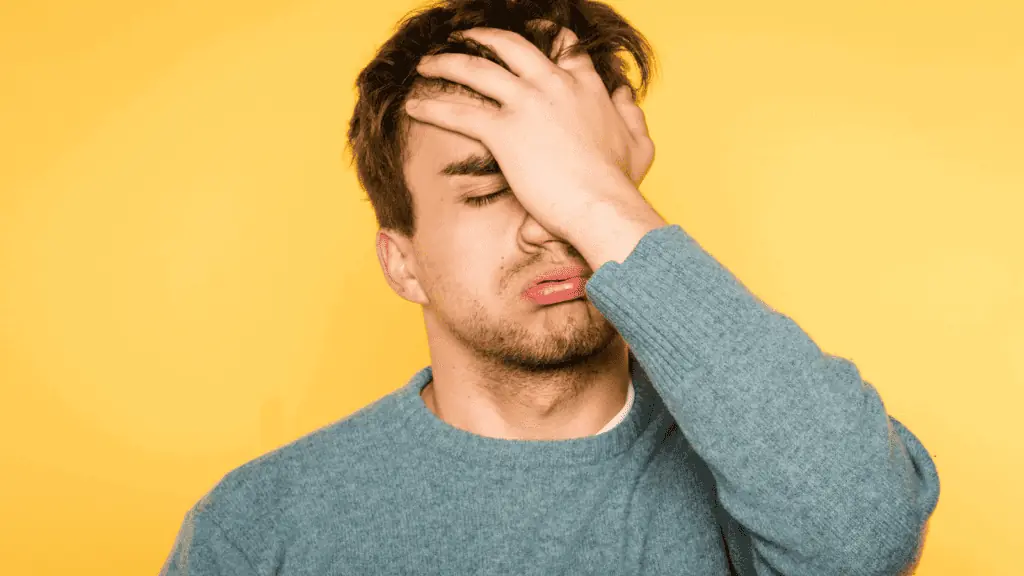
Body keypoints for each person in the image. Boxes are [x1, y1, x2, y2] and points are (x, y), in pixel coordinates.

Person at [161, 1, 939, 574]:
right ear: (400, 261)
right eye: (487, 189)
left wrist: (601, 201)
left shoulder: (750, 486)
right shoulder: (259, 528)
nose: (546, 226)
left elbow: (866, 533)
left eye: (563, 180)